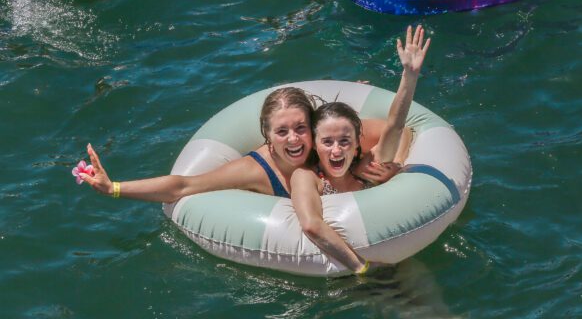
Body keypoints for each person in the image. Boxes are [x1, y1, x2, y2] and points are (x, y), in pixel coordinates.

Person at [76, 87, 403, 201]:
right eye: (282, 131)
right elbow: (183, 186)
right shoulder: (256, 170)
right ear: (267, 136)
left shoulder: (325, 142)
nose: (293, 139)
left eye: (300, 128)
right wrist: (114, 188)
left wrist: (389, 169)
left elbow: (400, 131)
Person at [290, 25, 430, 274]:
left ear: (357, 144)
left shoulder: (367, 168)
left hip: (391, 255)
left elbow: (396, 127)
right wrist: (361, 267)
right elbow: (311, 224)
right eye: (327, 142)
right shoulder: (307, 177)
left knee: (437, 309)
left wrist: (409, 76)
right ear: (314, 142)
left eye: (344, 141)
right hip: (346, 273)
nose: (336, 150)